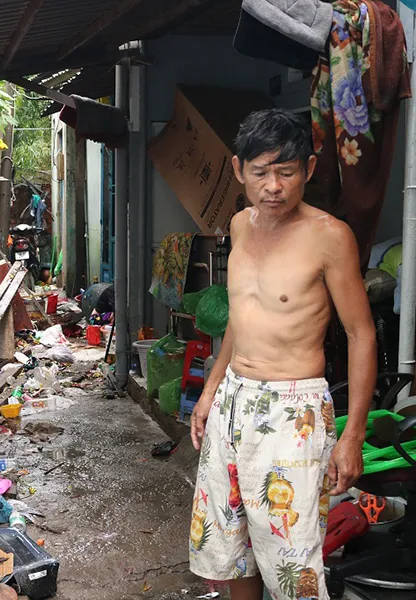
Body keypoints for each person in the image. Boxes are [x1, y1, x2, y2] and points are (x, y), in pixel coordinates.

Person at [188, 109, 376, 600]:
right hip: (233, 401)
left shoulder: (330, 236)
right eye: (260, 172)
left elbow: (361, 334)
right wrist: (210, 391)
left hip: (293, 413)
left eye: (286, 172)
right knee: (232, 544)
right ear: (238, 170)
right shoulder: (239, 225)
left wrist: (353, 435)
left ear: (308, 169)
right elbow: (241, 317)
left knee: (292, 561)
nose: (273, 186)